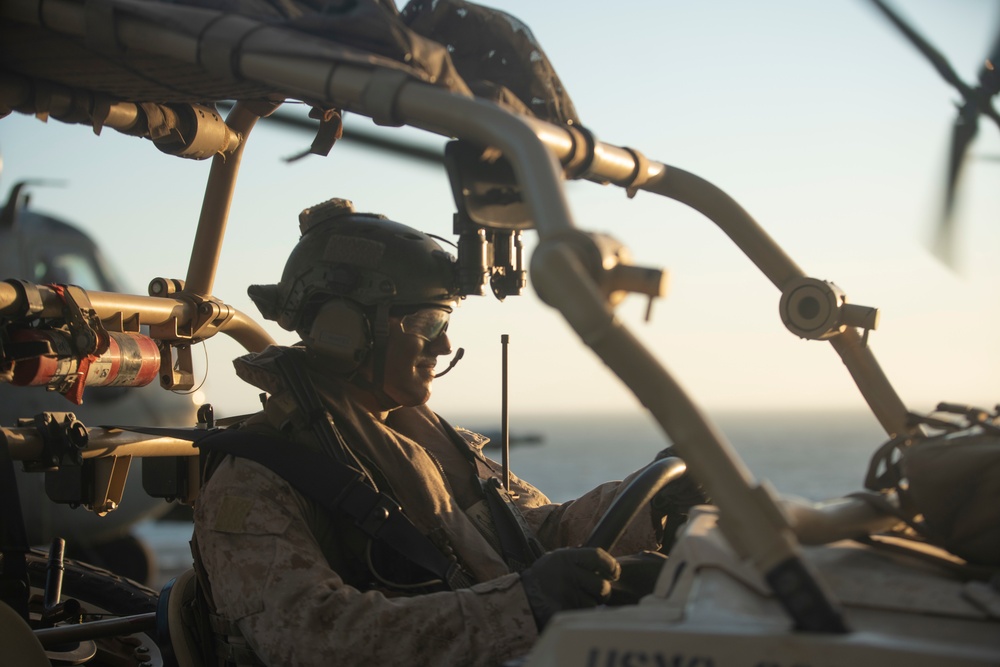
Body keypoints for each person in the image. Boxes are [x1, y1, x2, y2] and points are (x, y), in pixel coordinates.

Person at [192, 199, 685, 666]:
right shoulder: (258, 479)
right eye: (427, 322)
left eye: (444, 321)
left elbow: (532, 534)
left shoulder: (426, 445)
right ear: (344, 330)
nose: (444, 346)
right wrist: (522, 606)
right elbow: (313, 637)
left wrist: (652, 506)